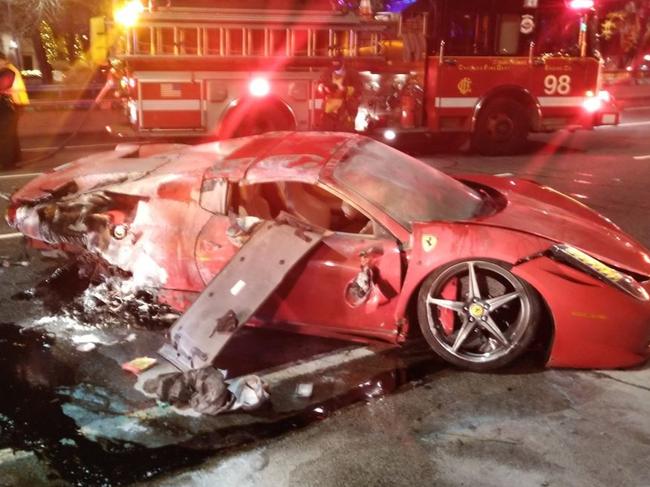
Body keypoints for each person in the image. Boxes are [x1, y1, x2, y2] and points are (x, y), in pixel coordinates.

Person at [317, 55, 362, 132]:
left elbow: (358, 89)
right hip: (329, 109)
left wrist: (345, 89)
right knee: (327, 133)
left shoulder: (352, 74)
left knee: (345, 132)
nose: (335, 68)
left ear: (343, 64)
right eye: (334, 64)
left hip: (346, 110)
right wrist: (322, 87)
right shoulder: (327, 73)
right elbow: (320, 84)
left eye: (337, 65)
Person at [0, 52, 29, 166]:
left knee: (6, 134)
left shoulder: (9, 71)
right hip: (12, 104)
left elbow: (3, 85)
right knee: (10, 133)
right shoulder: (6, 71)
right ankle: (14, 159)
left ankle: (7, 162)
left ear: (3, 60)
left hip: (13, 105)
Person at [0, 67, 18, 170]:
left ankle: (8, 162)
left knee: (6, 137)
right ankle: (8, 162)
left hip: (5, 109)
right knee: (6, 137)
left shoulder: (7, 73)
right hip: (5, 110)